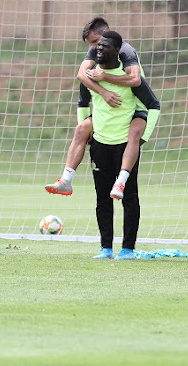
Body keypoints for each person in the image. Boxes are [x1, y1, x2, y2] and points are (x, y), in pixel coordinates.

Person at [45, 17, 158, 200]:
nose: (95, 47)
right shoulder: (94, 51)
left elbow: (135, 80)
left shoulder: (126, 51)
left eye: (96, 42)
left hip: (135, 106)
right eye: (92, 44)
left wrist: (104, 76)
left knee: (134, 134)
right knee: (81, 129)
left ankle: (121, 182)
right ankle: (66, 180)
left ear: (105, 36)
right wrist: (104, 93)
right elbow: (81, 74)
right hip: (109, 109)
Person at [87, 31, 159, 260]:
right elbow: (82, 100)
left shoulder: (128, 78)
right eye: (98, 45)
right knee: (102, 198)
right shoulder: (91, 75)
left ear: (118, 51)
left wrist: (143, 137)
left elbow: (154, 104)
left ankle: (128, 248)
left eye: (105, 46)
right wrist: (85, 127)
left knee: (129, 196)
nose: (99, 48)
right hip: (99, 144)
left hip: (124, 146)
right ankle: (105, 248)